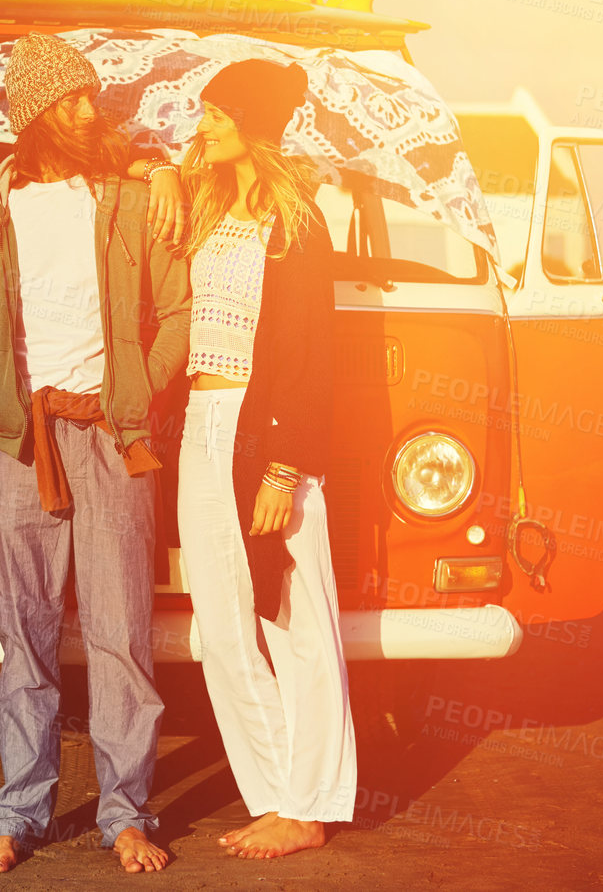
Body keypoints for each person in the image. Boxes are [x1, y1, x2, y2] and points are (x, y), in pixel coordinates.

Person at [0, 31, 192, 875]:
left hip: (115, 439)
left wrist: (137, 393)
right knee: (27, 633)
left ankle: (126, 812)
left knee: (120, 634)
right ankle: (17, 810)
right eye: (75, 98)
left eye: (90, 95)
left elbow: (176, 311)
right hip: (21, 442)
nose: (92, 108)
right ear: (40, 112)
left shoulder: (128, 193)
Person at [174, 58, 356, 859]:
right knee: (220, 625)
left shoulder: (299, 220)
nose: (201, 126)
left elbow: (313, 357)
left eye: (216, 113)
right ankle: (274, 791)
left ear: (252, 122)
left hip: (267, 436)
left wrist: (285, 466)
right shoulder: (207, 204)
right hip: (202, 421)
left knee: (296, 621)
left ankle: (311, 801)